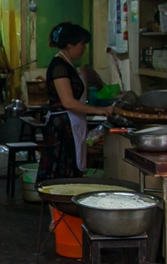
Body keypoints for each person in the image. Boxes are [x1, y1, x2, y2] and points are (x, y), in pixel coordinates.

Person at [36, 22, 114, 182]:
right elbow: (68, 102)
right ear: (70, 44)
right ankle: (58, 206)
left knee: (70, 172)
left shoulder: (69, 64)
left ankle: (65, 206)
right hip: (63, 127)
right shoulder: (59, 66)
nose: (84, 48)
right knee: (60, 175)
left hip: (72, 124)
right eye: (82, 44)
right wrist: (99, 110)